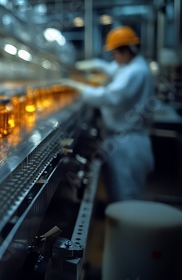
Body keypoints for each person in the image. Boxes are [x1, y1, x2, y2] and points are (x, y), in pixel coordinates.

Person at [64, 26, 156, 203]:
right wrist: (96, 64)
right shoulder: (130, 65)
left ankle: (130, 230)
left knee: (127, 198)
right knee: (118, 194)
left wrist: (77, 88)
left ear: (125, 51)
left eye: (114, 53)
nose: (112, 58)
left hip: (128, 144)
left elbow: (110, 97)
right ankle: (123, 227)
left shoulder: (136, 72)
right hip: (120, 139)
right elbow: (112, 69)